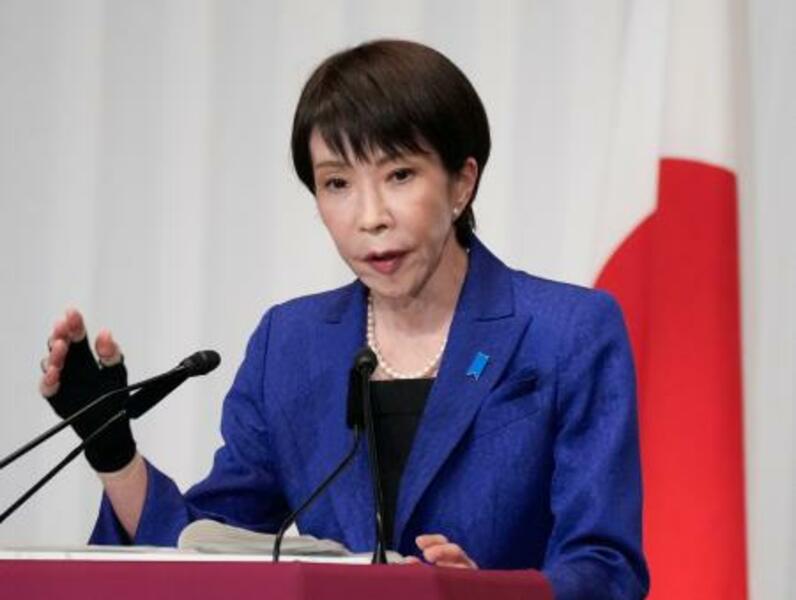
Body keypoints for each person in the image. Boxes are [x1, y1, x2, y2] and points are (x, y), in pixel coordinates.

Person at [39, 40, 649, 599]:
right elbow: (209, 548)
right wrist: (113, 452)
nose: (370, 216)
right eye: (337, 183)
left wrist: (486, 595)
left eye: (399, 175)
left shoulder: (567, 331)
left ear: (461, 183)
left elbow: (606, 567)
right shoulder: (291, 344)